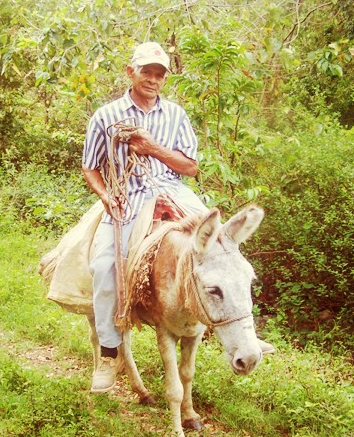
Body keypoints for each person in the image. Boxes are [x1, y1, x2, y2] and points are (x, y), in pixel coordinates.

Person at [81, 41, 273, 394]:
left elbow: (191, 167)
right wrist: (106, 196)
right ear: (131, 72)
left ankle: (244, 334)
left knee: (224, 253)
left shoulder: (176, 115)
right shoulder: (106, 116)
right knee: (104, 265)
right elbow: (90, 167)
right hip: (127, 195)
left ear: (165, 78)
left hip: (173, 190)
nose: (153, 79)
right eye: (146, 72)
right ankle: (109, 352)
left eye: (159, 74)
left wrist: (152, 148)